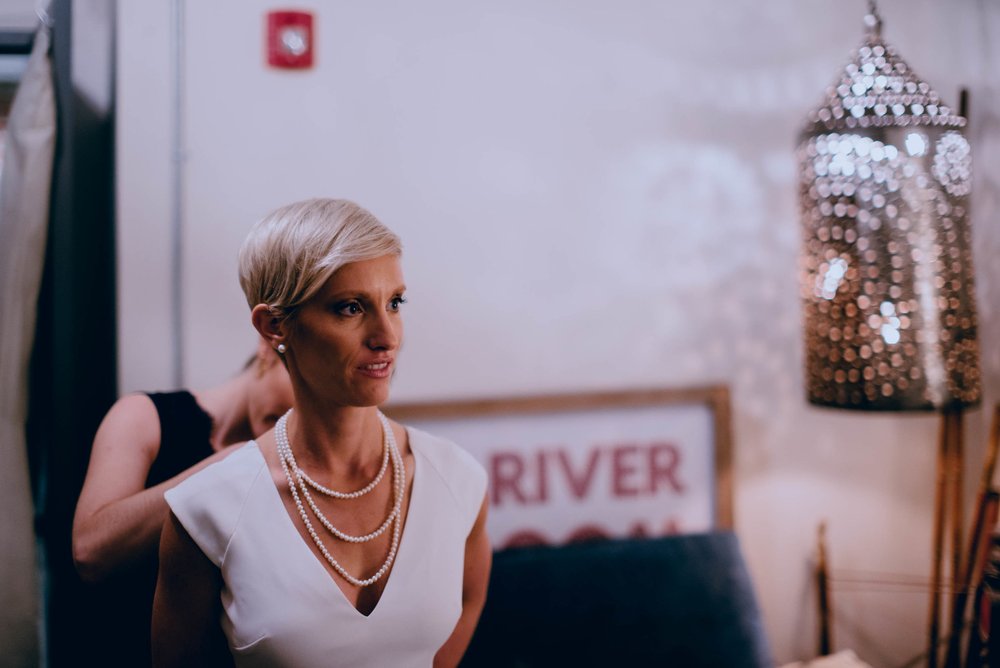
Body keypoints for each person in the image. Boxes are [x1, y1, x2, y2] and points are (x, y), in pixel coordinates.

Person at [152, 198, 491, 667]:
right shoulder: (208, 510)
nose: (386, 335)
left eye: (395, 302)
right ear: (274, 326)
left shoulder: (457, 480)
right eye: (350, 307)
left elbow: (465, 608)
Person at [71, 339, 294, 665]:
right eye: (302, 381)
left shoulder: (285, 471)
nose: (298, 417)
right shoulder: (144, 416)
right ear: (268, 348)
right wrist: (228, 465)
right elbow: (91, 550)